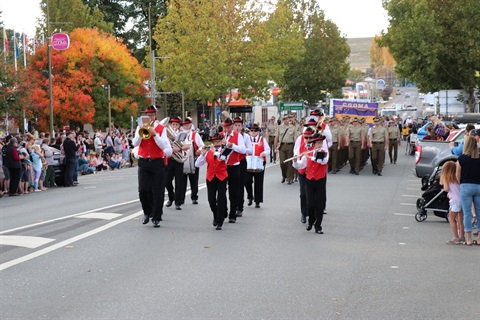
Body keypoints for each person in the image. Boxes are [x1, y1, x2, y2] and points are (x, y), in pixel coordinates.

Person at [132, 106, 172, 227]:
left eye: (152, 115)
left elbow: (164, 146)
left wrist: (155, 134)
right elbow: (135, 143)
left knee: (158, 191)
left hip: (157, 162)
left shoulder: (161, 128)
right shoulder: (140, 127)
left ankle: (156, 217)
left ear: (155, 116)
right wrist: (141, 131)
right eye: (148, 115)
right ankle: (147, 212)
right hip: (144, 161)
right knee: (143, 190)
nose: (150, 118)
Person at [293, 132, 329, 234]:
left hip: (320, 181)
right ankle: (311, 221)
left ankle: (318, 226)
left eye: (321, 143)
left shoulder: (324, 152)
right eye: (317, 143)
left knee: (320, 204)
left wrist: (310, 157)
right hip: (310, 181)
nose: (319, 145)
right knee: (310, 204)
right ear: (313, 144)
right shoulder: (308, 153)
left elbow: (323, 161)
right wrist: (295, 161)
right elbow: (301, 166)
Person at [195, 133, 228, 230]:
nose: (217, 143)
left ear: (221, 142)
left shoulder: (225, 151)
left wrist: (214, 152)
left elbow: (224, 159)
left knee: (221, 199)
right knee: (211, 200)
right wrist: (203, 154)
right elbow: (197, 164)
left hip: (222, 177)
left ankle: (219, 221)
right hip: (210, 178)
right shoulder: (208, 152)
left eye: (218, 141)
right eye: (215, 142)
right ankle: (216, 214)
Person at [455, 136, 480, 246]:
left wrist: (461, 182)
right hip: (478, 186)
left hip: (465, 186)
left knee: (467, 213)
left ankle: (468, 239)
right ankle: (479, 238)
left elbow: (457, 175)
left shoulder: (462, 158)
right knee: (479, 212)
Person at [221, 117, 246, 223]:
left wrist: (232, 145)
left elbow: (243, 150)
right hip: (222, 166)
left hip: (234, 166)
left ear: (232, 127)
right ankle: (224, 210)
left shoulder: (238, 135)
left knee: (233, 192)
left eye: (228, 127)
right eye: (224, 127)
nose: (226, 129)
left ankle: (232, 214)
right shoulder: (221, 136)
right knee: (222, 191)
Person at [293, 126, 316, 223]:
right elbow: (298, 165)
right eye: (306, 137)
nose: (308, 140)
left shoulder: (317, 147)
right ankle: (304, 213)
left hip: (313, 173)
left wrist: (310, 157)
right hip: (303, 173)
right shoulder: (299, 147)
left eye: (310, 137)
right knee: (303, 194)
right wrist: (295, 161)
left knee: (312, 194)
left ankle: (313, 214)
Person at [179, 117, 204, 205]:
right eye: (185, 125)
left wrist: (199, 151)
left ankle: (194, 197)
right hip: (182, 160)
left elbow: (202, 145)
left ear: (190, 125)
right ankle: (181, 199)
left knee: (194, 180)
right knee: (182, 182)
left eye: (188, 125)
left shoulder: (195, 135)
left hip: (193, 159)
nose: (186, 126)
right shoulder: (179, 134)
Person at [164, 116, 187, 210]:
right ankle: (171, 196)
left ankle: (178, 202)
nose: (174, 126)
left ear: (178, 126)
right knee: (166, 181)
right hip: (169, 159)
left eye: (176, 125)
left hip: (178, 160)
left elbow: (188, 146)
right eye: (173, 124)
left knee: (179, 182)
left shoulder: (182, 135)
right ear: (170, 125)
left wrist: (180, 148)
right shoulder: (166, 134)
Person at [245, 123, 270, 208]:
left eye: (255, 131)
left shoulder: (262, 140)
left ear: (259, 131)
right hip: (249, 162)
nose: (253, 132)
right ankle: (250, 197)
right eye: (252, 131)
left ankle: (257, 200)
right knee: (247, 181)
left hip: (259, 162)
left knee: (258, 181)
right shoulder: (247, 139)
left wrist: (263, 153)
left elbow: (268, 150)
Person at [440, 161, 464, 245]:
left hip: (454, 201)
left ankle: (456, 237)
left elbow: (446, 189)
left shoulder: (447, 178)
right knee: (460, 219)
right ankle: (462, 236)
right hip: (462, 200)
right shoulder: (458, 178)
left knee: (451, 218)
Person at [233, 116, 252, 217]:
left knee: (240, 185)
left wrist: (242, 148)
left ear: (242, 126)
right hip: (231, 162)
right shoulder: (230, 136)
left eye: (239, 125)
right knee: (232, 186)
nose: (237, 127)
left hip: (241, 161)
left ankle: (239, 207)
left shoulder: (246, 137)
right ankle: (232, 205)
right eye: (235, 125)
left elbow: (250, 150)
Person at [275, 115, 295, 184]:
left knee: (289, 162)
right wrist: (275, 147)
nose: (286, 120)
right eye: (284, 119)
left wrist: (295, 148)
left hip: (290, 145)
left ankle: (290, 178)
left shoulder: (292, 127)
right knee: (282, 162)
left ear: (289, 119)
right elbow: (276, 138)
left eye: (287, 119)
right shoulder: (280, 127)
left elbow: (294, 138)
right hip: (282, 146)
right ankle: (284, 175)